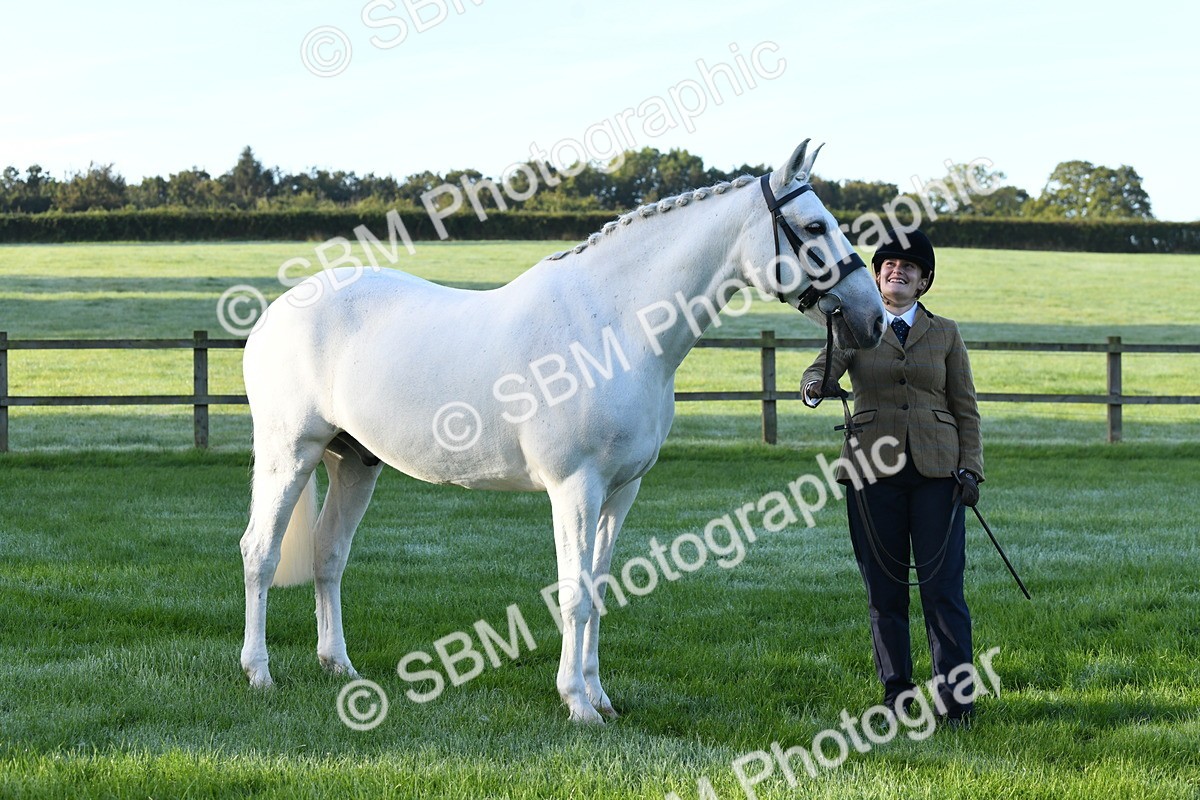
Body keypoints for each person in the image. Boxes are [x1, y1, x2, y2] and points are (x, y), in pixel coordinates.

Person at [801, 227, 983, 726]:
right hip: (869, 472)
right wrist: (814, 385)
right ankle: (897, 693)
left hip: (939, 473)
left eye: (908, 266)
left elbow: (965, 408)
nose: (896, 269)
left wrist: (972, 468)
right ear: (877, 276)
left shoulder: (946, 332)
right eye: (887, 264)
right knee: (884, 589)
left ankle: (955, 701)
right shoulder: (857, 327)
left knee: (943, 588)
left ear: (924, 280)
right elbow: (822, 369)